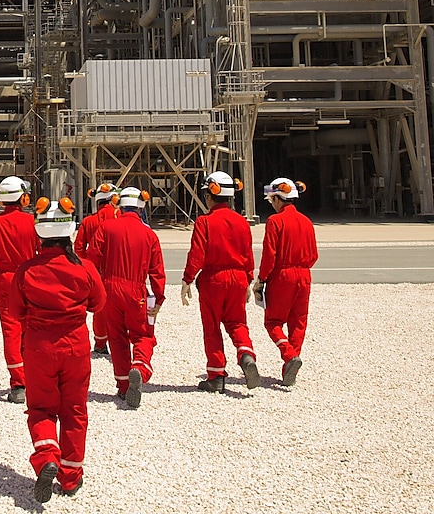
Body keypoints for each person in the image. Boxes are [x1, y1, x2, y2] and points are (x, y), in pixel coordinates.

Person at [10, 197, 106, 503]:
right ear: (71, 231)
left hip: (39, 347)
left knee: (40, 408)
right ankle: (70, 476)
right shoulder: (85, 268)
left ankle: (47, 454)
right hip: (76, 345)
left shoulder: (26, 271)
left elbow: (15, 311)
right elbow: (98, 304)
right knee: (75, 410)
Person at [181, 171, 259, 394]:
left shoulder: (204, 221)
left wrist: (187, 279)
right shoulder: (243, 222)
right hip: (238, 278)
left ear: (210, 195)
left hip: (213, 279)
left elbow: (197, 253)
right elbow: (248, 254)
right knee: (237, 323)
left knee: (212, 326)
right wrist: (248, 280)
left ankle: (216, 375)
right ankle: (246, 354)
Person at [87, 187, 165, 408]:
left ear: (119, 205)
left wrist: (94, 286)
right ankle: (139, 367)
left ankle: (123, 387)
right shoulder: (149, 234)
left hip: (109, 288)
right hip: (136, 290)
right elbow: (157, 270)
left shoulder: (106, 227)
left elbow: (92, 257)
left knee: (117, 338)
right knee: (143, 335)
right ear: (141, 206)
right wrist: (158, 298)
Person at [254, 177, 318, 386]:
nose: (271, 204)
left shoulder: (275, 221)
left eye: (272, 200)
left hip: (283, 276)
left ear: (278, 199)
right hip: (304, 275)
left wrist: (262, 279)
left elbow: (269, 255)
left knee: (272, 322)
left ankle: (289, 356)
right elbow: (314, 255)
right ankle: (290, 367)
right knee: (298, 323)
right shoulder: (307, 222)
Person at [0, 176, 39, 403]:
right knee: (33, 327)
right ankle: (36, 377)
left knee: (11, 330)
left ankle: (18, 384)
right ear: (21, 196)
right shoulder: (32, 222)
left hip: (5, 280)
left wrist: (5, 263)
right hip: (30, 278)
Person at [73, 182, 120, 354]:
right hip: (118, 270)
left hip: (96, 272)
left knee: (99, 308)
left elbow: (78, 248)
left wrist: (87, 266)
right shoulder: (119, 217)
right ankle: (121, 342)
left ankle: (101, 344)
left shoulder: (88, 221)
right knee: (120, 308)